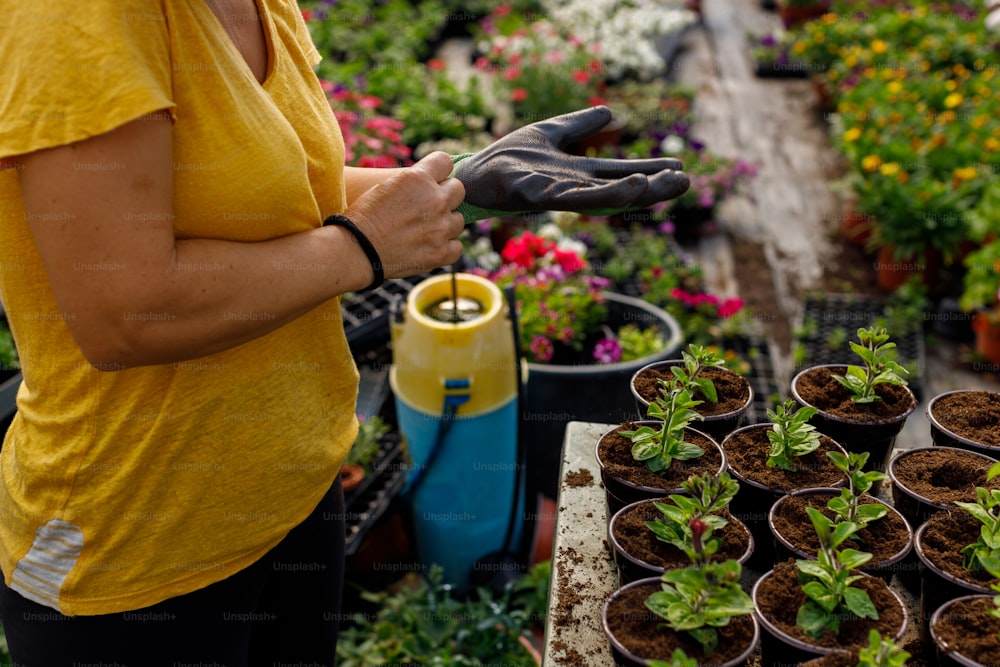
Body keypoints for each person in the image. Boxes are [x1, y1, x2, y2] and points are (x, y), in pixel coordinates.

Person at [0, 1, 688, 664]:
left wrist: (466, 188)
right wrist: (366, 248)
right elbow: (127, 310)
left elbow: (287, 190)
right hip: (139, 549)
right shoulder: (76, 13)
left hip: (294, 496)